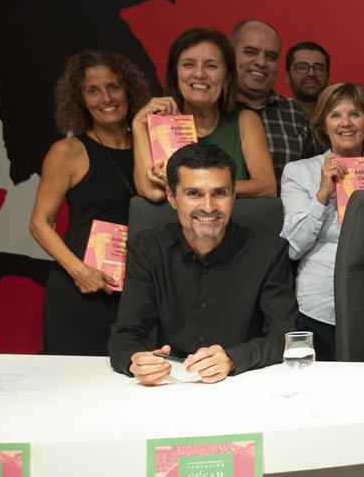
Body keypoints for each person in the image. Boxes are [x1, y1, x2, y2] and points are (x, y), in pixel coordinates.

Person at [108, 142, 297, 384]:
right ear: (172, 197)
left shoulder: (269, 251)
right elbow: (125, 333)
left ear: (233, 195)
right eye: (194, 194)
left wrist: (232, 358)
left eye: (220, 193)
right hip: (168, 383)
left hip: (244, 383)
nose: (208, 207)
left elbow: (285, 336)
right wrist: (135, 360)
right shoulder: (146, 250)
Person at [30, 50, 150, 356]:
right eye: (92, 91)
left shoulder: (150, 146)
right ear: (80, 99)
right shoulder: (67, 151)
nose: (105, 98)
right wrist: (79, 271)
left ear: (129, 91)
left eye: (113, 87)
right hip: (83, 291)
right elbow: (39, 223)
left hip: (139, 291)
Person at [280, 82, 364, 361]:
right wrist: (323, 193)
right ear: (323, 124)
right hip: (318, 306)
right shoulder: (299, 173)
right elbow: (292, 247)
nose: (345, 123)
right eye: (335, 114)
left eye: (355, 114)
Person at [132, 27, 276, 202]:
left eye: (211, 66)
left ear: (227, 78)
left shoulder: (245, 121)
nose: (199, 74)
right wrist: (138, 124)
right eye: (188, 64)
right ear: (175, 74)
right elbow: (153, 193)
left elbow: (267, 187)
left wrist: (196, 187)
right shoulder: (158, 125)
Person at [231, 19, 315, 181]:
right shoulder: (212, 110)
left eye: (271, 56)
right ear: (229, 54)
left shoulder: (295, 115)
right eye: (250, 52)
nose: (261, 62)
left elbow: (313, 183)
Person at [285, 41, 330, 119]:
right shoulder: (275, 116)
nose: (311, 74)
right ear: (287, 77)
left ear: (328, 77)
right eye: (302, 67)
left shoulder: (342, 119)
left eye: (319, 68)